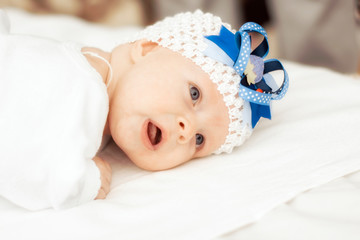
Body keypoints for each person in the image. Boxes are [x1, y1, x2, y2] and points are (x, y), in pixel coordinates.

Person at [0, 9, 288, 210]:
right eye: (194, 94)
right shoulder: (81, 88)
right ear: (147, 48)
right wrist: (86, 182)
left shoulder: (92, 77)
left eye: (200, 140)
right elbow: (26, 165)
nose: (186, 131)